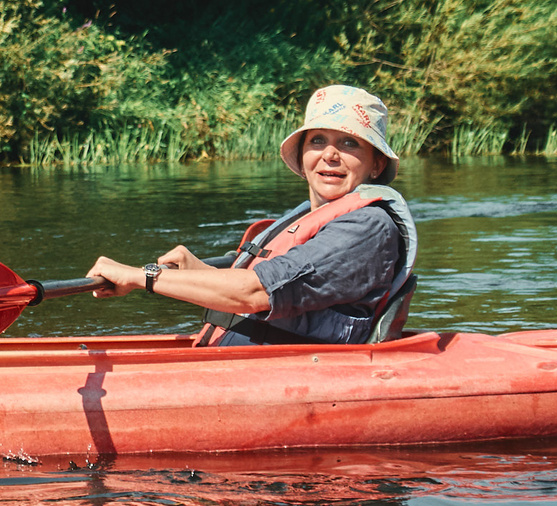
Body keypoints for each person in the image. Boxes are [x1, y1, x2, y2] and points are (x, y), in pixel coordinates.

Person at [86, 85, 417, 345]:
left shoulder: (366, 227)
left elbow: (256, 292)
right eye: (318, 140)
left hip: (297, 378)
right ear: (303, 156)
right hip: (248, 365)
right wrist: (200, 271)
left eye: (349, 143)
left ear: (377, 164)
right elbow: (262, 293)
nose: (330, 154)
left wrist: (139, 277)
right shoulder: (311, 217)